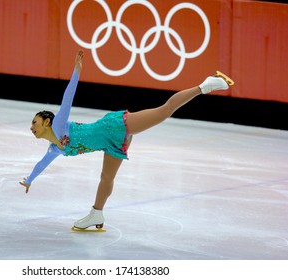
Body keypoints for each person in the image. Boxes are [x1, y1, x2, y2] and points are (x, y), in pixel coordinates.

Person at [19, 49, 234, 231]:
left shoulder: (58, 125)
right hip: (109, 143)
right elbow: (41, 165)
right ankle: (97, 214)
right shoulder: (54, 150)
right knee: (106, 178)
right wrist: (29, 180)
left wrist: (77, 71)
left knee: (164, 111)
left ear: (47, 121)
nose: (32, 128)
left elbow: (68, 97)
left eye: (34, 122)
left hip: (113, 126)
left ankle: (204, 86)